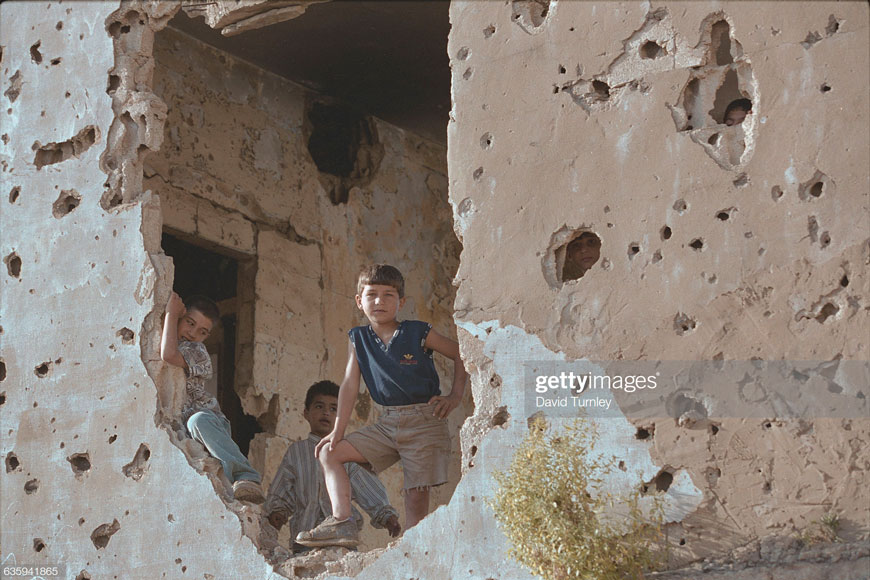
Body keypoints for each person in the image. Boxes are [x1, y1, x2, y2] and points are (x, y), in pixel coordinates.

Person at [296, 264, 468, 548]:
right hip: (388, 423)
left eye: (389, 295)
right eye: (372, 294)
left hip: (424, 420)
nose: (379, 301)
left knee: (414, 494)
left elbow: (461, 353)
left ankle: (414, 548)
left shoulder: (418, 332)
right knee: (330, 452)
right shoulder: (359, 339)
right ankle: (341, 522)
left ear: (400, 302)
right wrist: (337, 431)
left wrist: (454, 396)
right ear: (359, 301)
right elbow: (350, 384)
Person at [264, 381, 401, 551]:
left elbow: (366, 486)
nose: (326, 413)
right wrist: (278, 513)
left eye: (334, 409)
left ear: (341, 416)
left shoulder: (345, 452)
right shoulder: (296, 452)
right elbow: (283, 487)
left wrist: (386, 515)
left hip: (340, 543)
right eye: (319, 406)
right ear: (306, 413)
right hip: (305, 540)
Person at [160, 291, 265, 503]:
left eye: (202, 331)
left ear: (207, 337)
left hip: (209, 421)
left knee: (197, 420)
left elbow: (169, 355)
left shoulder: (197, 351)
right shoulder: (169, 340)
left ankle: (246, 475)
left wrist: (170, 314)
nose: (192, 333)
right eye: (189, 323)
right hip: (188, 429)